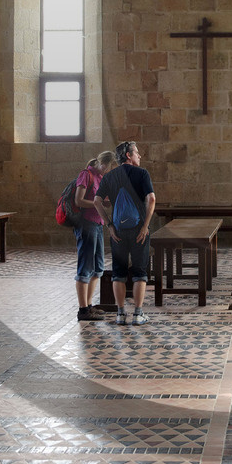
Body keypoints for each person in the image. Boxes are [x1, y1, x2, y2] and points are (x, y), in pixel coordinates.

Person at [94, 139, 156, 325]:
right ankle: (138, 314)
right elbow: (151, 199)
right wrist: (145, 226)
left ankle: (120, 314)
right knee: (139, 272)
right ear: (128, 155)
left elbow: (97, 201)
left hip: (118, 231)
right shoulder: (142, 173)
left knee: (118, 273)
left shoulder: (109, 177)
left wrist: (109, 225)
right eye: (136, 152)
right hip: (139, 230)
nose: (139, 155)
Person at [72, 150, 117, 322]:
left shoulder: (101, 178)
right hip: (86, 225)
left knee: (98, 268)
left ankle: (89, 306)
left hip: (97, 224)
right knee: (85, 268)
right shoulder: (86, 174)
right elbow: (79, 200)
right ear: (104, 165)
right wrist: (97, 203)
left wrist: (106, 201)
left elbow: (102, 200)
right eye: (110, 168)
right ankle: (83, 310)